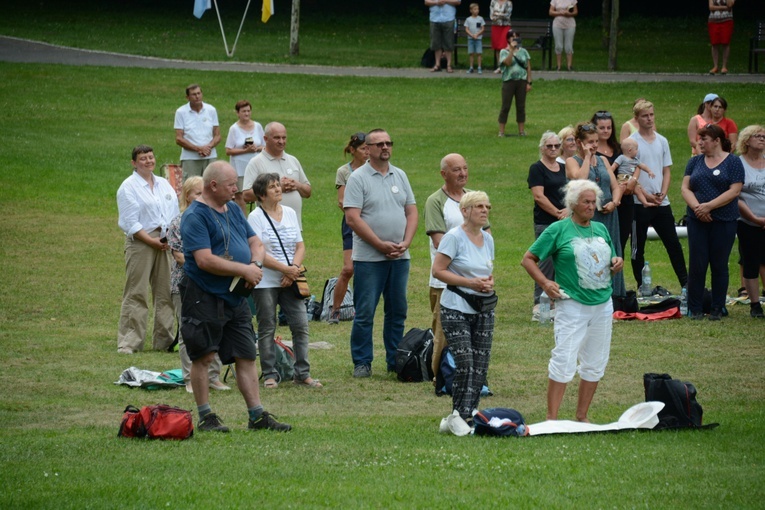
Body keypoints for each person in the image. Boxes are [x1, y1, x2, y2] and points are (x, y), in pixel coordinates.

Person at [180, 160, 290, 432]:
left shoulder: (233, 209)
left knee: (245, 355)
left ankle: (257, 416)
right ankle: (206, 416)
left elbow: (255, 242)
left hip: (236, 296)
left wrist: (254, 265)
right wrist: (245, 269)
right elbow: (204, 260)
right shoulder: (195, 216)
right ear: (213, 185)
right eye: (231, 184)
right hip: (204, 295)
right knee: (203, 356)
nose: (237, 189)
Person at [522, 179, 623, 422]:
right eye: (586, 202)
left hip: (602, 303)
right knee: (564, 359)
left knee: (596, 361)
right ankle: (552, 418)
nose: (591, 206)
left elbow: (609, 257)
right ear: (573, 204)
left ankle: (582, 416)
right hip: (572, 304)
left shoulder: (600, 230)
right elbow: (528, 259)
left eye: (593, 202)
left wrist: (617, 262)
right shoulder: (558, 230)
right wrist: (546, 283)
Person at [343, 129, 418, 378]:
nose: (385, 147)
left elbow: (411, 211)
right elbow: (352, 218)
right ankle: (362, 362)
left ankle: (395, 359)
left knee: (397, 311)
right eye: (379, 144)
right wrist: (379, 244)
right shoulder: (358, 178)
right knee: (365, 312)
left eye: (388, 143)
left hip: (399, 257)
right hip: (369, 259)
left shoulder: (401, 175)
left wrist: (405, 242)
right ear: (369, 148)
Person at [248, 173, 322, 388]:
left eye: (278, 185)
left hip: (292, 279)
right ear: (261, 195)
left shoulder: (289, 212)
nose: (278, 189)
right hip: (265, 282)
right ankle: (270, 374)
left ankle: (302, 373)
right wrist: (285, 270)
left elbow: (300, 245)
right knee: (267, 326)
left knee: (300, 325)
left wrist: (294, 270)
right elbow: (258, 251)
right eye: (272, 187)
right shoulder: (255, 217)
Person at [432, 191, 495, 424]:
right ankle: (459, 412)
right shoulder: (453, 237)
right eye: (479, 206)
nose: (484, 210)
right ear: (465, 211)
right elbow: (438, 271)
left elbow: (487, 269)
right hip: (455, 308)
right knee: (465, 362)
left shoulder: (488, 238)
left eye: (487, 207)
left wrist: (488, 282)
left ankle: (472, 411)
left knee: (480, 364)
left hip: (483, 307)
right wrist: (470, 283)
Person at [167, 176, 229, 393]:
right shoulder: (178, 222)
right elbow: (180, 256)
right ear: (187, 196)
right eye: (196, 193)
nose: (201, 197)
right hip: (185, 284)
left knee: (215, 328)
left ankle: (213, 377)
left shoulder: (216, 219)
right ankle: (189, 379)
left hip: (213, 284)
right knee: (189, 332)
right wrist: (209, 265)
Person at [425, 154, 485, 379]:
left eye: (465, 168)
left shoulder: (473, 197)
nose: (463, 174)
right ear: (444, 174)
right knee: (444, 332)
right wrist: (469, 261)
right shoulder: (435, 201)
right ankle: (441, 378)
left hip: (476, 282)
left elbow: (486, 237)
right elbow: (440, 243)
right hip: (445, 282)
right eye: (456, 170)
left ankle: (474, 376)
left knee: (475, 331)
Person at [116, 145, 179, 354]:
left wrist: (170, 238)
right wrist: (151, 241)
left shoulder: (163, 184)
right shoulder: (128, 187)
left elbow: (174, 212)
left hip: (165, 240)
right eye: (143, 158)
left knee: (166, 293)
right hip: (141, 241)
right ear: (134, 163)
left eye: (151, 157)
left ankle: (164, 341)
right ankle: (130, 342)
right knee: (137, 292)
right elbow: (129, 222)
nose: (148, 161)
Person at [681, 124, 744, 320]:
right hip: (697, 220)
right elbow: (685, 188)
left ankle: (718, 307)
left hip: (724, 220)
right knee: (697, 264)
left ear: (717, 141)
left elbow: (734, 190)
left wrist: (709, 206)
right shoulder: (695, 162)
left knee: (719, 264)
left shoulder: (733, 162)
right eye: (699, 139)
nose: (700, 142)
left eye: (704, 139)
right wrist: (698, 208)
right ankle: (695, 307)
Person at [630, 100, 688, 292]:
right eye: (645, 116)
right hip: (640, 202)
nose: (649, 119)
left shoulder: (662, 141)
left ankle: (686, 283)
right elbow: (630, 174)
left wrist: (662, 193)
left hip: (661, 202)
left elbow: (667, 170)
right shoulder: (632, 142)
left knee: (673, 243)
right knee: (638, 247)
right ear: (637, 118)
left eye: (652, 115)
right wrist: (646, 195)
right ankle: (641, 286)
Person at [566, 122, 625, 297]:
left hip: (609, 214)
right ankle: (593, 292)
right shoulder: (572, 161)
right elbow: (579, 181)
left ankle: (615, 296)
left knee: (611, 251)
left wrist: (614, 202)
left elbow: (615, 185)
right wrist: (586, 157)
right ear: (579, 143)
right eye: (590, 141)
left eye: (596, 141)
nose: (594, 145)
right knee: (592, 253)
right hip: (588, 214)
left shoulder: (603, 160)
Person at [329, 132, 369, 324]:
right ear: (353, 151)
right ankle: (335, 310)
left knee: (368, 268)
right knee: (348, 269)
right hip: (352, 223)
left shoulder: (373, 169)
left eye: (369, 148)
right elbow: (341, 201)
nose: (367, 152)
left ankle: (361, 310)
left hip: (371, 222)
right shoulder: (344, 172)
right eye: (363, 148)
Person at [528, 131, 567, 320]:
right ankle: (540, 301)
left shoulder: (563, 167)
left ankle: (558, 298)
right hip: (545, 222)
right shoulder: (537, 168)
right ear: (542, 148)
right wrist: (558, 213)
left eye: (556, 146)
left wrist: (567, 210)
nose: (553, 149)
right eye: (549, 146)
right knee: (545, 261)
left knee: (564, 260)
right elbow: (539, 196)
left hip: (564, 221)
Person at [242, 122, 311, 230]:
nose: (281, 141)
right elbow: (246, 195)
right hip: (269, 228)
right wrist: (278, 188)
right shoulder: (256, 162)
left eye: (284, 138)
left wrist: (297, 185)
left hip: (294, 227)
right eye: (277, 138)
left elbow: (308, 192)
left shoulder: (293, 160)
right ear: (265, 138)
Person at [736, 125, 765, 318]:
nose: (762, 139)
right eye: (758, 136)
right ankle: (755, 305)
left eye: (764, 136)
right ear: (747, 140)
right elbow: (735, 195)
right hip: (747, 222)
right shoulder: (738, 163)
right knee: (751, 262)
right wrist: (755, 218)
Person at [225, 100, 265, 215]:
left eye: (248, 111)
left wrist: (256, 148)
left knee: (260, 191)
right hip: (240, 168)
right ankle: (243, 219)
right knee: (241, 195)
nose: (246, 114)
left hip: (256, 165)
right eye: (243, 111)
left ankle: (261, 215)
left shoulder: (257, 126)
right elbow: (228, 150)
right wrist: (244, 150)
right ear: (238, 113)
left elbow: (265, 146)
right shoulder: (234, 129)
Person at [174, 84, 220, 180]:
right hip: (190, 158)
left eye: (199, 93)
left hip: (210, 156)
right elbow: (179, 138)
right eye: (193, 94)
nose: (197, 96)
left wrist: (208, 147)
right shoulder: (181, 112)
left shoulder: (211, 110)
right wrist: (198, 149)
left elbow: (217, 135)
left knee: (212, 186)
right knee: (191, 187)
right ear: (187, 97)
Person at [497, 30, 531, 138]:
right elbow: (507, 63)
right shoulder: (503, 51)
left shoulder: (524, 52)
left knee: (521, 106)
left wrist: (529, 82)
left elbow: (528, 67)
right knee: (505, 106)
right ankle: (501, 131)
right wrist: (511, 50)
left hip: (521, 81)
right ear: (508, 39)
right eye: (512, 37)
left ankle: (521, 131)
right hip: (509, 81)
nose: (514, 39)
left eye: (516, 37)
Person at [424, 0, 461, 73]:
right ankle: (437, 64)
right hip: (435, 18)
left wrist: (446, 1)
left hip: (448, 18)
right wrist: (437, 2)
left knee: (448, 42)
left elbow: (458, 2)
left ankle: (449, 65)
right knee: (436, 42)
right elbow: (426, 2)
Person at [549, 0, 577, 71]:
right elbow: (551, 12)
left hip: (570, 25)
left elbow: (575, 12)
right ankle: (558, 66)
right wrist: (560, 13)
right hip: (557, 25)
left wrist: (569, 14)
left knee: (569, 46)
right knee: (558, 45)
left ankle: (569, 66)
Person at [708, 0, 735, 75]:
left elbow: (730, 5)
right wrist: (724, 7)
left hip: (727, 20)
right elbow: (711, 7)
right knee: (714, 43)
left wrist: (719, 7)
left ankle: (724, 66)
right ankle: (715, 66)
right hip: (713, 20)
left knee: (725, 43)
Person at [489, 0, 513, 73]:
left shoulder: (509, 3)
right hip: (495, 26)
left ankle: (506, 66)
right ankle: (500, 66)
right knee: (497, 47)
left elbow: (508, 16)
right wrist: (501, 14)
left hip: (505, 26)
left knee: (505, 46)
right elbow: (491, 16)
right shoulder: (493, 1)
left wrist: (497, 14)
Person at [464, 3, 485, 74]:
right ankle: (471, 67)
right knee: (471, 53)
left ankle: (479, 67)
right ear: (471, 10)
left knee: (479, 53)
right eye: (475, 9)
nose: (477, 11)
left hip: (478, 38)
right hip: (470, 38)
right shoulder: (468, 19)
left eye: (477, 9)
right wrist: (472, 35)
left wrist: (477, 34)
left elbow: (482, 28)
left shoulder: (480, 19)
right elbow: (466, 29)